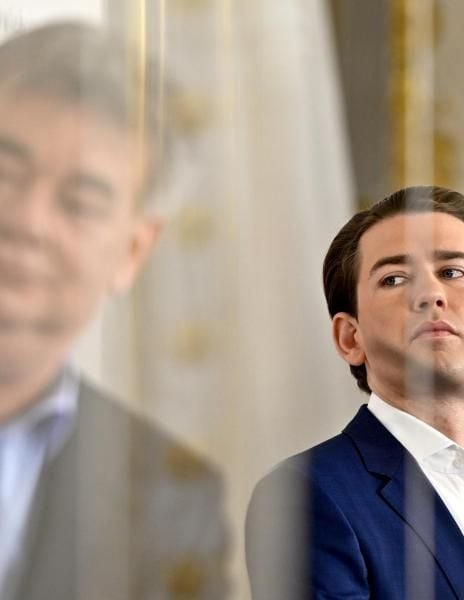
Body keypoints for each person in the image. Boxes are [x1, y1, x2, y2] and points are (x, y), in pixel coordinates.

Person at [245, 186, 464, 599]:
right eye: (394, 279)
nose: (430, 295)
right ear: (350, 337)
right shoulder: (303, 497)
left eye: (452, 272)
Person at [0, 22, 227, 600]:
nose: (26, 220)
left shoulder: (174, 497)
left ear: (131, 252)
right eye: (5, 173)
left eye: (79, 201)